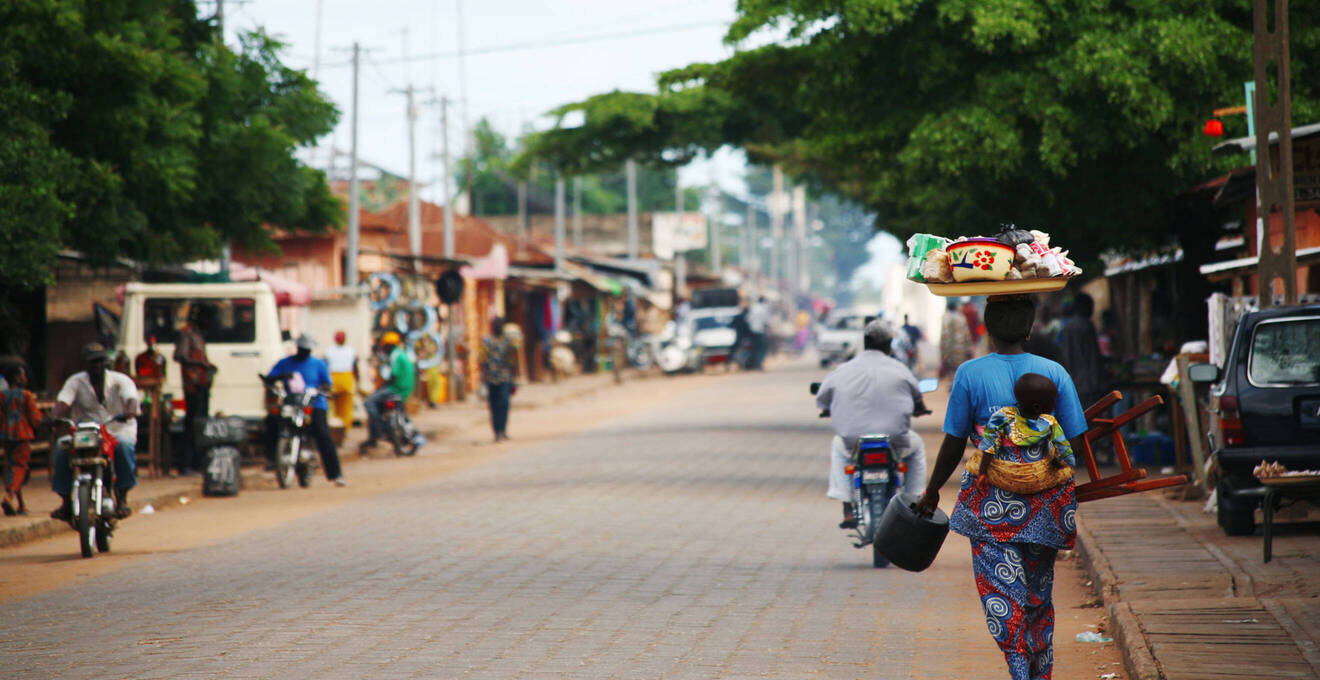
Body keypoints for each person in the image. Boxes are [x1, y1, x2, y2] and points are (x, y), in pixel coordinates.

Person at [916, 296, 1089, 680]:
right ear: (1030, 329)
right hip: (1045, 508)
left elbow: (955, 441)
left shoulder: (969, 373)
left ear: (987, 328)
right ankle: (1040, 672)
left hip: (990, 507)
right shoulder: (1054, 371)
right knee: (1037, 596)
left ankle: (1018, 670)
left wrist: (931, 492)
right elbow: (1075, 442)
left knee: (1002, 594)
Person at [815, 319, 932, 528]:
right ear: (888, 345)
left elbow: (822, 398)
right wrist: (920, 408)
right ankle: (913, 502)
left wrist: (828, 408)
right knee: (917, 448)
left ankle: (847, 506)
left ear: (866, 342)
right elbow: (918, 398)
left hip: (854, 442)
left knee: (837, 445)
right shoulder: (901, 369)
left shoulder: (843, 369)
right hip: (895, 441)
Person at [50, 343, 140, 520]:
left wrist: (129, 412)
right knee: (62, 447)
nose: (97, 366)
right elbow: (62, 403)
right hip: (85, 432)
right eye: (93, 362)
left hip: (116, 430)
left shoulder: (120, 380)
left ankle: (122, 499)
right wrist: (55, 417)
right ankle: (66, 501)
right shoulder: (75, 381)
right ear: (85, 364)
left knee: (123, 446)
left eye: (100, 361)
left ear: (106, 362)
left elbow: (131, 399)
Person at [267, 335, 345, 486]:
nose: (304, 352)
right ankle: (273, 460)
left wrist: (318, 390)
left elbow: (327, 384)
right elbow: (270, 377)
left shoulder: (318, 364)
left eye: (307, 350)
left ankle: (336, 474)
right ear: (297, 348)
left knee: (323, 435)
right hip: (292, 404)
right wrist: (280, 377)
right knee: (272, 424)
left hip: (314, 405)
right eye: (302, 349)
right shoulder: (285, 363)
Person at [173, 303, 215, 475]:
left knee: (200, 425)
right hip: (193, 387)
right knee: (192, 425)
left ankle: (197, 464)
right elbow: (180, 356)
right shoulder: (187, 335)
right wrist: (201, 364)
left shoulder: (198, 336)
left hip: (202, 385)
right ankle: (186, 465)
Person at [361, 331, 415, 453]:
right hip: (404, 389)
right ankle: (380, 432)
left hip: (397, 388)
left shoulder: (395, 355)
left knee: (369, 402)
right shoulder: (402, 354)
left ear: (389, 345)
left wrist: (382, 387)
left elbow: (393, 375)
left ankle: (378, 430)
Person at [1, 364, 42, 515]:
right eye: (23, 375)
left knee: (11, 466)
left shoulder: (2, 395)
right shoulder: (26, 396)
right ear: (17, 378)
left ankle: (20, 504)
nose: (25, 378)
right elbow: (35, 418)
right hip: (22, 435)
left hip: (6, 436)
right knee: (20, 467)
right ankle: (9, 495)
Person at [1058, 293, 1107, 412]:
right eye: (1090, 306)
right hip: (1089, 384)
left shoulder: (1068, 327)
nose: (1092, 310)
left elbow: (1065, 357)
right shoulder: (1086, 326)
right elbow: (1093, 358)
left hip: (1075, 384)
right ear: (1082, 307)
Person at [479, 317, 518, 442]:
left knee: (504, 404)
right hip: (491, 378)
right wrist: (483, 376)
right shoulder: (486, 341)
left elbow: (513, 358)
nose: (498, 327)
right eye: (496, 325)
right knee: (494, 405)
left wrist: (515, 375)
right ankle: (496, 431)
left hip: (505, 377)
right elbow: (482, 359)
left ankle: (503, 430)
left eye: (499, 325)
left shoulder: (508, 340)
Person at [325, 330, 358, 429]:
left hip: (333, 380)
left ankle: (333, 427)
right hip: (346, 380)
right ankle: (345, 428)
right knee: (346, 407)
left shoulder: (329, 351)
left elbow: (325, 365)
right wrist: (357, 381)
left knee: (332, 407)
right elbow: (355, 367)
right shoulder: (351, 350)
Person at [940, 298, 974, 380]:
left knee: (950, 371)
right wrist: (969, 350)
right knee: (960, 370)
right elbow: (967, 335)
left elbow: (942, 337)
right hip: (960, 349)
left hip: (949, 351)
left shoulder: (945, 319)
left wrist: (942, 352)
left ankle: (951, 385)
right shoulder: (961, 318)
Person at [747, 296, 770, 370]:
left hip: (752, 331)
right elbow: (766, 320)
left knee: (754, 348)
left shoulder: (753, 307)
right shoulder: (763, 308)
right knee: (761, 348)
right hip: (760, 331)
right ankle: (758, 364)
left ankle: (754, 364)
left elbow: (748, 319)